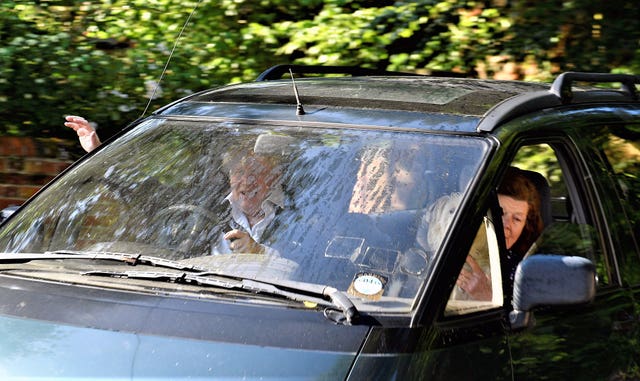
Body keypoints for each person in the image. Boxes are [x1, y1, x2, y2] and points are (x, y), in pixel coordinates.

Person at [64, 116, 286, 255]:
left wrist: (258, 252)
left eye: (256, 172)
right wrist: (100, 154)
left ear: (273, 178)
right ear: (229, 177)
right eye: (239, 172)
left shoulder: (299, 215)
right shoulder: (207, 203)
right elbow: (142, 191)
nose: (247, 181)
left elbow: (305, 270)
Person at [455, 166, 544, 300]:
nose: (506, 225)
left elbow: (525, 318)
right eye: (500, 213)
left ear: (526, 226)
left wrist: (486, 296)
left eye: (517, 219)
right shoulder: (451, 251)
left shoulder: (528, 269)